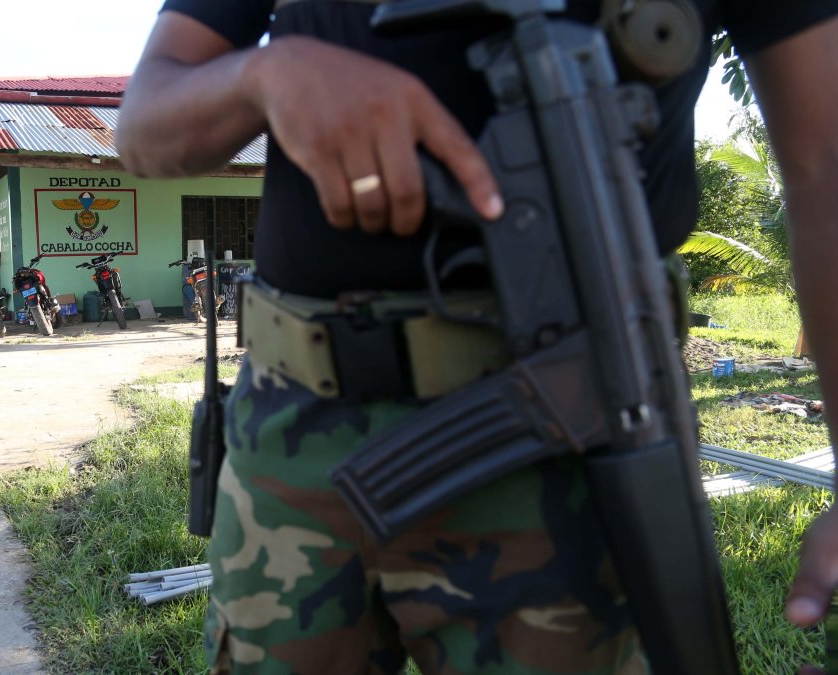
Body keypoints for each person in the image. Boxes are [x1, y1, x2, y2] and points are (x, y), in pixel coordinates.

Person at [117, 1, 838, 672]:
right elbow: (144, 125)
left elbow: (824, 166)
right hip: (291, 444)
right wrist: (263, 76)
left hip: (580, 437)